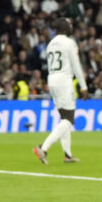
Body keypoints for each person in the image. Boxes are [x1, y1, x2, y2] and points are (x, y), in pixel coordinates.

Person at [33, 18, 88, 164]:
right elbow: (76, 66)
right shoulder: (69, 43)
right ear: (64, 28)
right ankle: (43, 148)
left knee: (64, 118)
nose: (71, 27)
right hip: (64, 81)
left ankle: (67, 155)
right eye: (69, 25)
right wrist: (83, 87)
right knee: (69, 119)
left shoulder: (51, 43)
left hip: (52, 80)